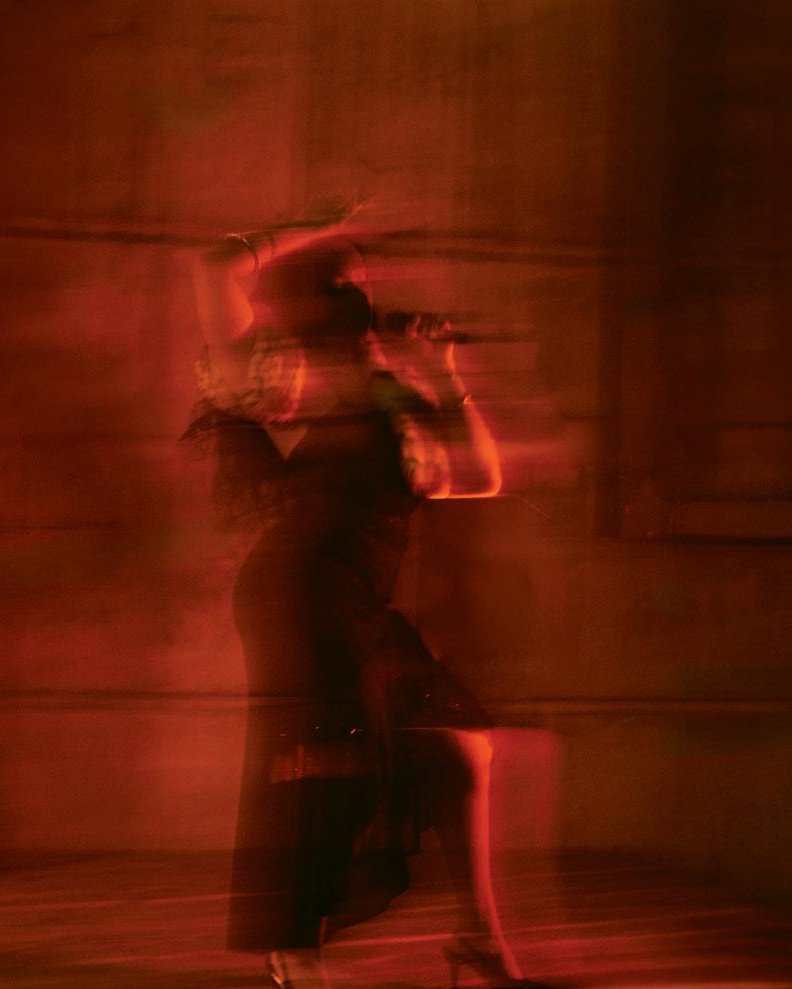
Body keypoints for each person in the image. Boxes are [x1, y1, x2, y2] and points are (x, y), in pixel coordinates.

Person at [188, 214, 554, 989]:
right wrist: (324, 224)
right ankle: (294, 947)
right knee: (320, 762)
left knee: (459, 747)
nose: (361, 292)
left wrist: (445, 373)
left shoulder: (392, 394)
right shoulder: (274, 373)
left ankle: (477, 938)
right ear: (304, 296)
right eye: (341, 279)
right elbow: (212, 267)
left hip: (359, 595)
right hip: (298, 593)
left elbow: (480, 477)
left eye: (362, 279)